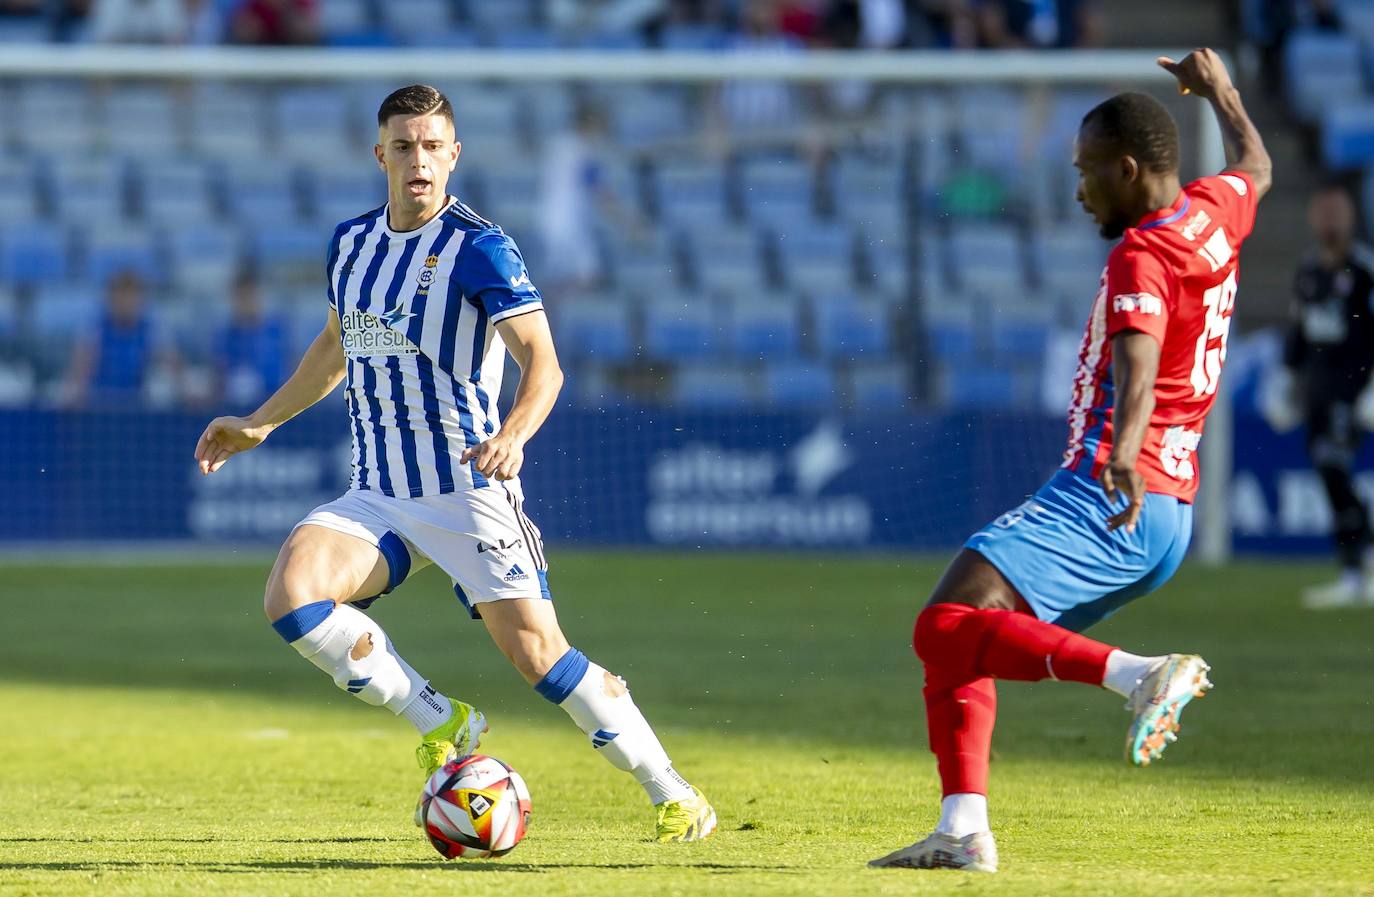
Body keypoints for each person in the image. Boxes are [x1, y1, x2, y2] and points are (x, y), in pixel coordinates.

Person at [193, 85, 716, 843]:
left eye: (433, 146)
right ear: (381, 156)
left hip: (469, 486)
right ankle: (440, 717)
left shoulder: (480, 247)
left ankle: (672, 789)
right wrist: (259, 423)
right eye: (404, 146)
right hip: (378, 490)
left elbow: (545, 362)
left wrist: (515, 432)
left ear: (454, 155)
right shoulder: (350, 243)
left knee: (540, 655)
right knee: (293, 595)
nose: (419, 160)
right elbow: (336, 347)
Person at [869, 49, 1271, 873]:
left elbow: (1139, 353)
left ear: (1129, 169)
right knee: (959, 638)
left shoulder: (1144, 253)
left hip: (1113, 490)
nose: (1080, 187)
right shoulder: (1212, 212)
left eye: (1089, 171)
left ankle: (1141, 676)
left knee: (939, 624)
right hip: (1168, 516)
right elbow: (1256, 165)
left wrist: (1121, 452)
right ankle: (961, 828)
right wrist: (1224, 92)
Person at [1265, 184, 1374, 608]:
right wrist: (1285, 380)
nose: (1329, 220)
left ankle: (1358, 564)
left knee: (1334, 467)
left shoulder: (1364, 270)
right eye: (1322, 211)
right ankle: (1354, 570)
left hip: (1355, 390)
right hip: (1318, 392)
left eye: (1337, 211)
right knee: (1329, 474)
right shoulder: (1308, 271)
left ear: (1350, 217)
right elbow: (1299, 331)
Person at [215, 270, 288, 407]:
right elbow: (219, 377)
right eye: (242, 297)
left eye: (251, 296)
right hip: (232, 408)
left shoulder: (276, 332)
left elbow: (289, 368)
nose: (247, 302)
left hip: (272, 406)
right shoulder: (225, 336)